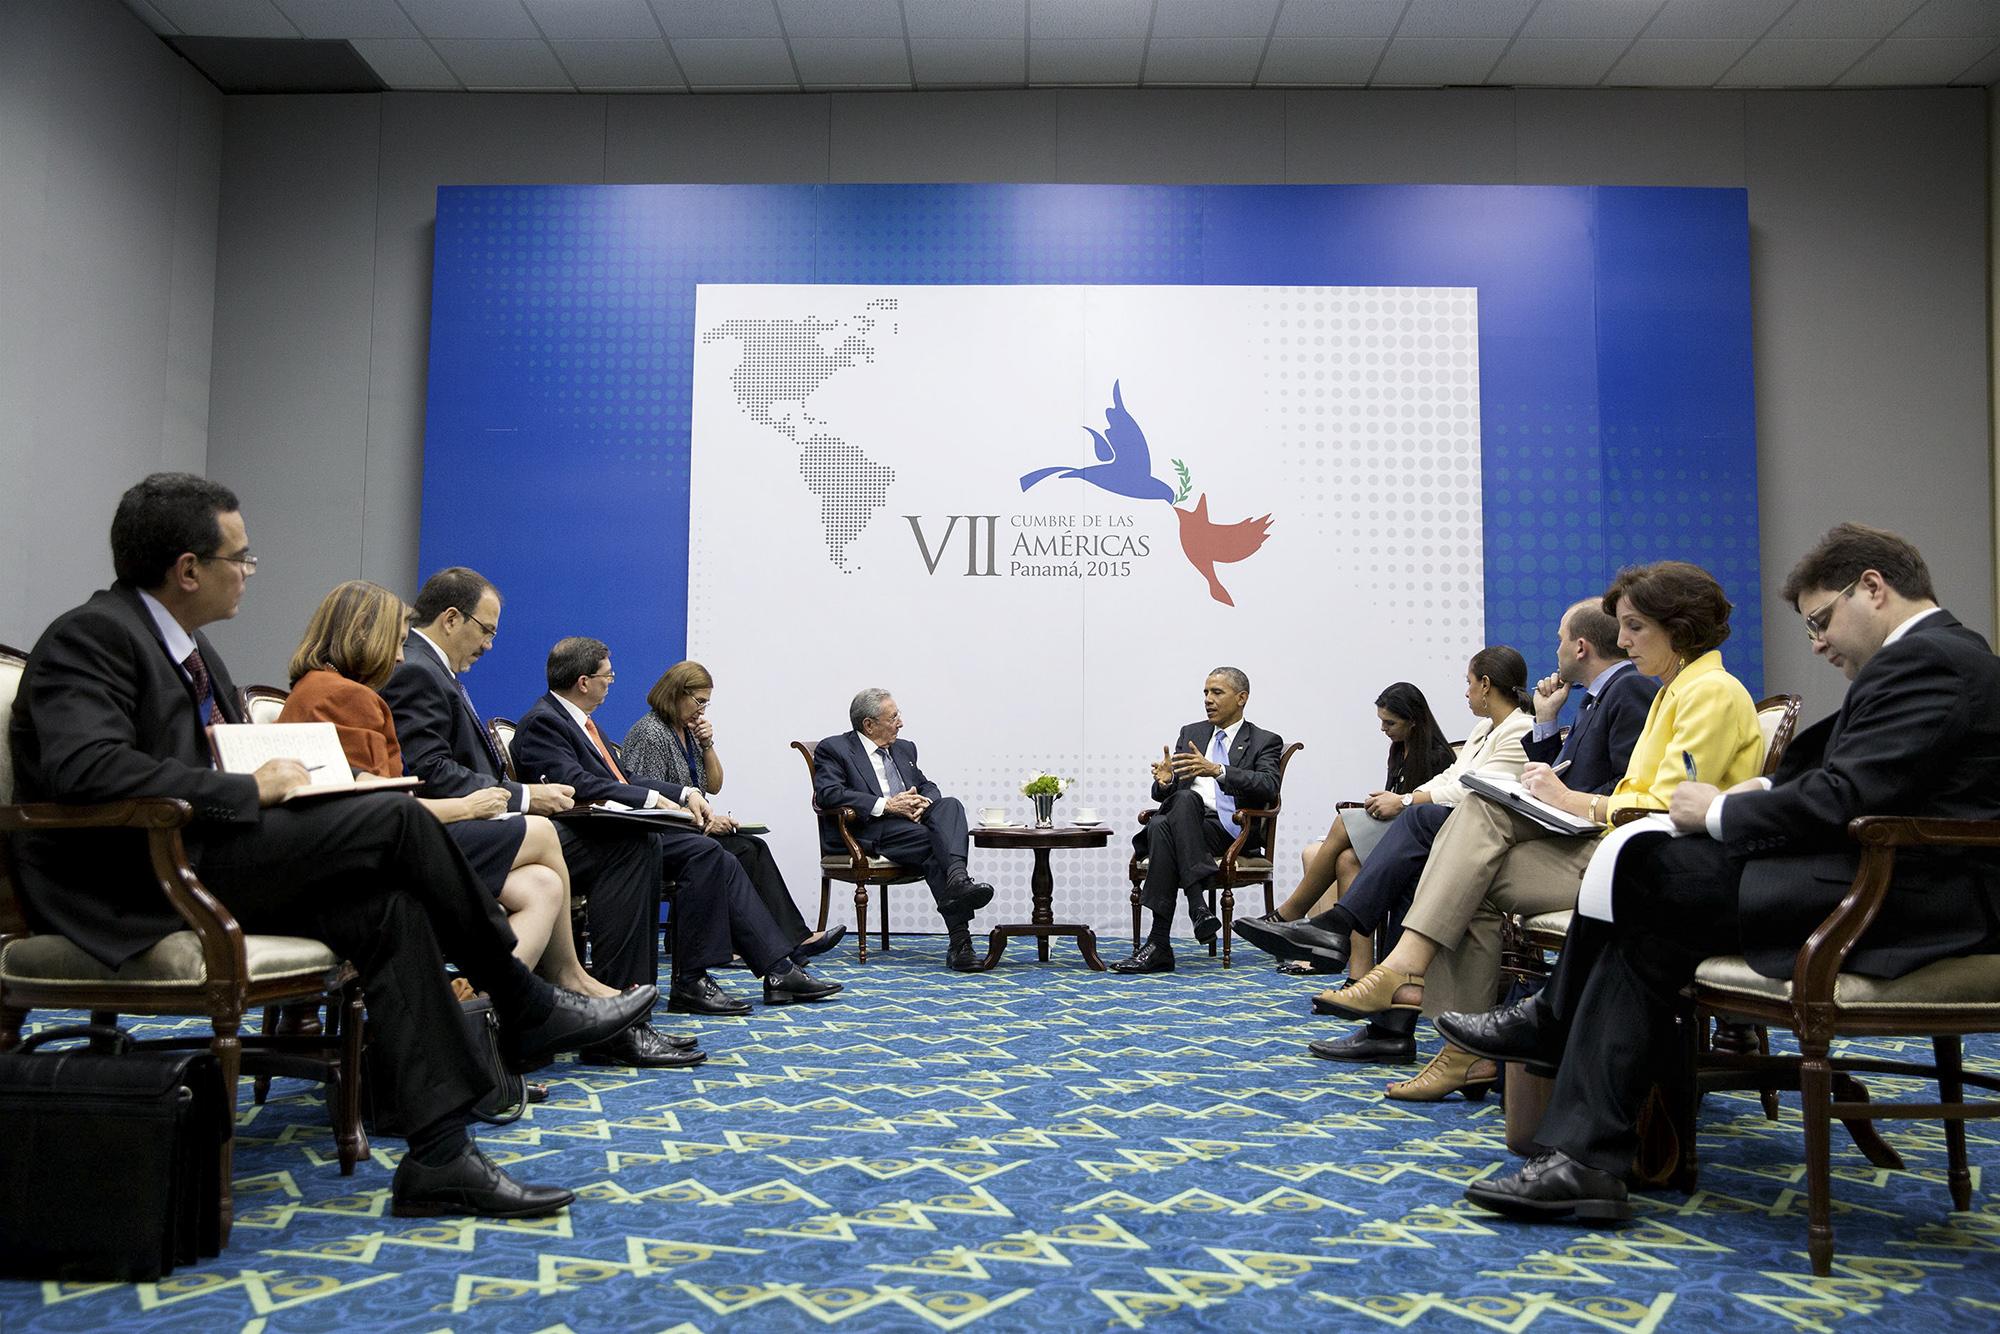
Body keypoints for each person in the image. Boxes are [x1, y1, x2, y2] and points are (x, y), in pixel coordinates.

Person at [8, 474, 653, 1218]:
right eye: (241, 560)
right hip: (130, 876)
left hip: (204, 853)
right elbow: (85, 769)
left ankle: (440, 1156)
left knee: (389, 908)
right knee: (397, 818)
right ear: (189, 569)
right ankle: (524, 998)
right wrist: (250, 791)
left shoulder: (194, 652)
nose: (249, 573)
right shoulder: (91, 637)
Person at [1448, 525, 2000, 1223]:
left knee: (1647, 874)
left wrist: (1718, 812)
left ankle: (1566, 1081)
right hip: (1875, 871)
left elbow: (1849, 797)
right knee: (1646, 881)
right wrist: (1740, 806)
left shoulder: (1935, 661)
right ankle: (1584, 1150)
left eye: (1821, 621)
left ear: (1874, 588)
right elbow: (1849, 786)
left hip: (1910, 895)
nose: (1818, 642)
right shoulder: (1930, 659)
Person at [1321, 574, 1763, 1100]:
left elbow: (1671, 806)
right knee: (1471, 858)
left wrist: (1576, 802)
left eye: (1634, 628)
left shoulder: (1707, 691)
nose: (1622, 642)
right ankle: (1456, 1042)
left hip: (1651, 862)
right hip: (1621, 848)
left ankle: (1410, 983)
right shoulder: (1674, 689)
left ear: (1680, 628)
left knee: (1472, 839)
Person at [380, 568, 703, 1070]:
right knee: (627, 847)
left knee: (603, 856)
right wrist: (524, 795)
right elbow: (430, 773)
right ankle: (606, 1015)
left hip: (477, 825)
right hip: (450, 830)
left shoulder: (433, 669)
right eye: (486, 630)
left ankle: (584, 1010)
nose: (489, 645)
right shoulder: (419, 670)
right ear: (450, 619)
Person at [276, 580, 618, 1003]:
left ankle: (481, 1004)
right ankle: (564, 980)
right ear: (361, 637)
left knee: (542, 886)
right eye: (396, 643)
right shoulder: (343, 696)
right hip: (379, 861)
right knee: (544, 835)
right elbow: (380, 808)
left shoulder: (326, 689)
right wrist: (466, 806)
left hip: (383, 844)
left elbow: (380, 795)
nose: (401, 657)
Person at [1234, 646, 1537, 1061]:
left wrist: (1408, 801)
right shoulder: (1486, 731)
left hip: (1480, 842)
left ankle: (1320, 926)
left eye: (1468, 683)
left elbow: (1476, 791)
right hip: (1456, 834)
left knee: (1406, 821)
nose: (1466, 693)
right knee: (1389, 875)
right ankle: (1388, 1028)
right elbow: (1454, 777)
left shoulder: (1521, 730)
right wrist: (1410, 799)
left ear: (1486, 684)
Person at [513, 638, 843, 1011]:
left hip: (618, 830)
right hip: (593, 838)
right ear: (584, 681)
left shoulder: (585, 725)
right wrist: (655, 800)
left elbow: (626, 778)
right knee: (707, 852)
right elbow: (578, 784)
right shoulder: (545, 722)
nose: (612, 682)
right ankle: (701, 979)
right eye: (608, 676)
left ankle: (764, 968)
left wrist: (685, 793)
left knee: (717, 855)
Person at [621, 659, 844, 959]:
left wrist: (708, 744)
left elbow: (714, 785)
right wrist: (704, 825)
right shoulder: (651, 734)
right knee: (737, 852)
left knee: (754, 847)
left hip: (691, 827)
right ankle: (756, 942)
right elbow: (646, 799)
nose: (702, 711)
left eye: (706, 705)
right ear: (676, 693)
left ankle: (794, 938)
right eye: (699, 702)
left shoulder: (687, 732)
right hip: (664, 834)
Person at [1264, 682, 1459, 969]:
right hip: (1396, 831)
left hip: (1418, 842)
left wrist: (1395, 804)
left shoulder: (1438, 757)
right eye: (1381, 722)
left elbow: (1428, 810)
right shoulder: (1397, 750)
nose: (1384, 729)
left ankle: (1292, 912)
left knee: (1343, 823)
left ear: (1414, 721)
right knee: (1344, 859)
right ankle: (1357, 972)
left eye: (1390, 722)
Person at [1110, 667, 1285, 975]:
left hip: (1228, 828)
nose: (1208, 699)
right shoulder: (1192, 733)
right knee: (1180, 805)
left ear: (1241, 698)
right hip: (1186, 823)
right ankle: (1196, 907)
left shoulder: (1263, 740)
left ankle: (1160, 943)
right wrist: (1165, 783)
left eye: (1217, 692)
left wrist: (1218, 770)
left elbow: (1269, 785)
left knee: (1166, 824)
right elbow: (1167, 791)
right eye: (1205, 693)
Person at [812, 689, 995, 971]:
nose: (901, 722)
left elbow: (927, 785)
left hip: (912, 824)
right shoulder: (835, 749)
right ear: (869, 724)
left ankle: (957, 881)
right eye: (893, 716)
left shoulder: (904, 748)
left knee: (950, 806)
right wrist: (886, 805)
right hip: (870, 829)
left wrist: (925, 802)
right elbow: (828, 794)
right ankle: (960, 941)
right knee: (936, 845)